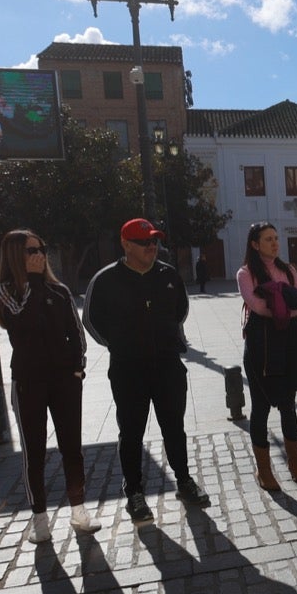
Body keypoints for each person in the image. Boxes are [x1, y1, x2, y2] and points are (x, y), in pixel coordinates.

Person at [83, 217, 210, 523]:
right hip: (128, 369)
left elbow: (180, 309)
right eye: (144, 242)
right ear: (125, 244)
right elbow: (92, 320)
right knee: (131, 432)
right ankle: (135, 492)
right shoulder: (106, 280)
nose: (151, 246)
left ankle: (184, 482)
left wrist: (167, 338)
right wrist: (121, 345)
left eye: (154, 241)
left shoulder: (168, 274)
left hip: (167, 365)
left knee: (174, 428)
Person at [0, 229, 97, 542]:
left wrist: (78, 369)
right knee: (34, 452)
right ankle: (39, 520)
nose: (38, 255)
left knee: (72, 448)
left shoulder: (58, 289)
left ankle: (79, 510)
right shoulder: (4, 290)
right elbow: (22, 324)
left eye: (41, 248)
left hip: (65, 379)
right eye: (30, 251)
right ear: (14, 255)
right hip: (28, 381)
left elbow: (75, 331)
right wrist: (34, 282)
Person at [237, 222, 297, 490]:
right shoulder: (245, 273)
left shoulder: (288, 269)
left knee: (288, 404)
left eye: (276, 238)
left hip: (287, 341)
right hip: (261, 344)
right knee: (260, 407)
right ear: (255, 244)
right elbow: (257, 307)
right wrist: (284, 309)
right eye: (268, 239)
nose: (274, 243)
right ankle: (264, 470)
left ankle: (295, 463)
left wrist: (284, 310)